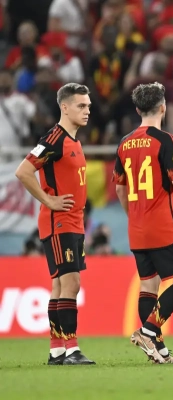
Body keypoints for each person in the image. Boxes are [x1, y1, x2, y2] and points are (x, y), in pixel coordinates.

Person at [112, 82, 173, 364]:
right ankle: (148, 331)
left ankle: (158, 351)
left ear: (138, 110)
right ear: (163, 107)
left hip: (137, 227)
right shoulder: (165, 140)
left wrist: (134, 216)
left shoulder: (124, 143)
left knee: (149, 286)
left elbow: (120, 189)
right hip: (163, 225)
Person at [14, 83, 95, 366]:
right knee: (71, 283)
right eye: (81, 106)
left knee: (60, 285)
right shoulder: (54, 139)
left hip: (73, 221)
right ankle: (72, 349)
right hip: (59, 222)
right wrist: (48, 200)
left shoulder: (73, 140)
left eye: (88, 106)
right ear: (65, 107)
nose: (87, 111)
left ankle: (57, 350)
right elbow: (24, 171)